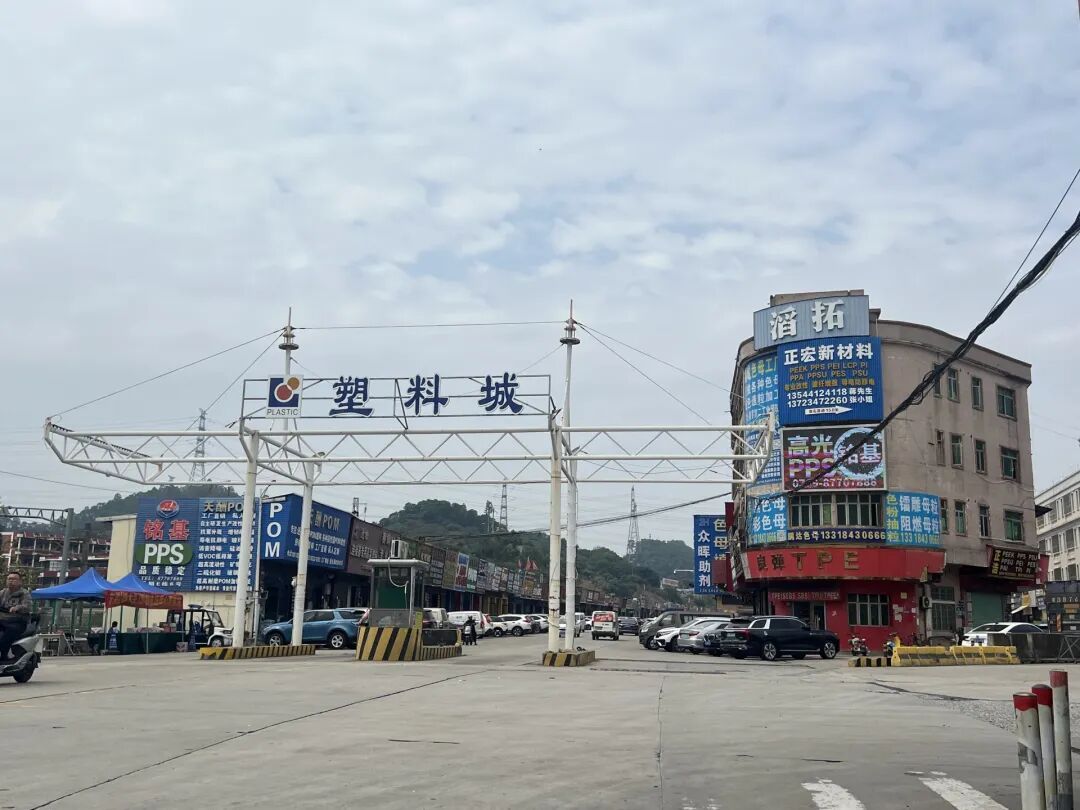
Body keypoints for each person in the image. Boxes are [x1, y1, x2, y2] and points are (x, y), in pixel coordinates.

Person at [0, 571, 31, 661]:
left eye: (14, 579)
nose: (11, 581)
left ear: (20, 581)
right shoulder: (2, 592)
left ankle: (4, 655)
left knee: (10, 632)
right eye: (9, 579)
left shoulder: (24, 593)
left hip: (18, 621)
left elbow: (27, 606)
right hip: (3, 620)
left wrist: (17, 608)